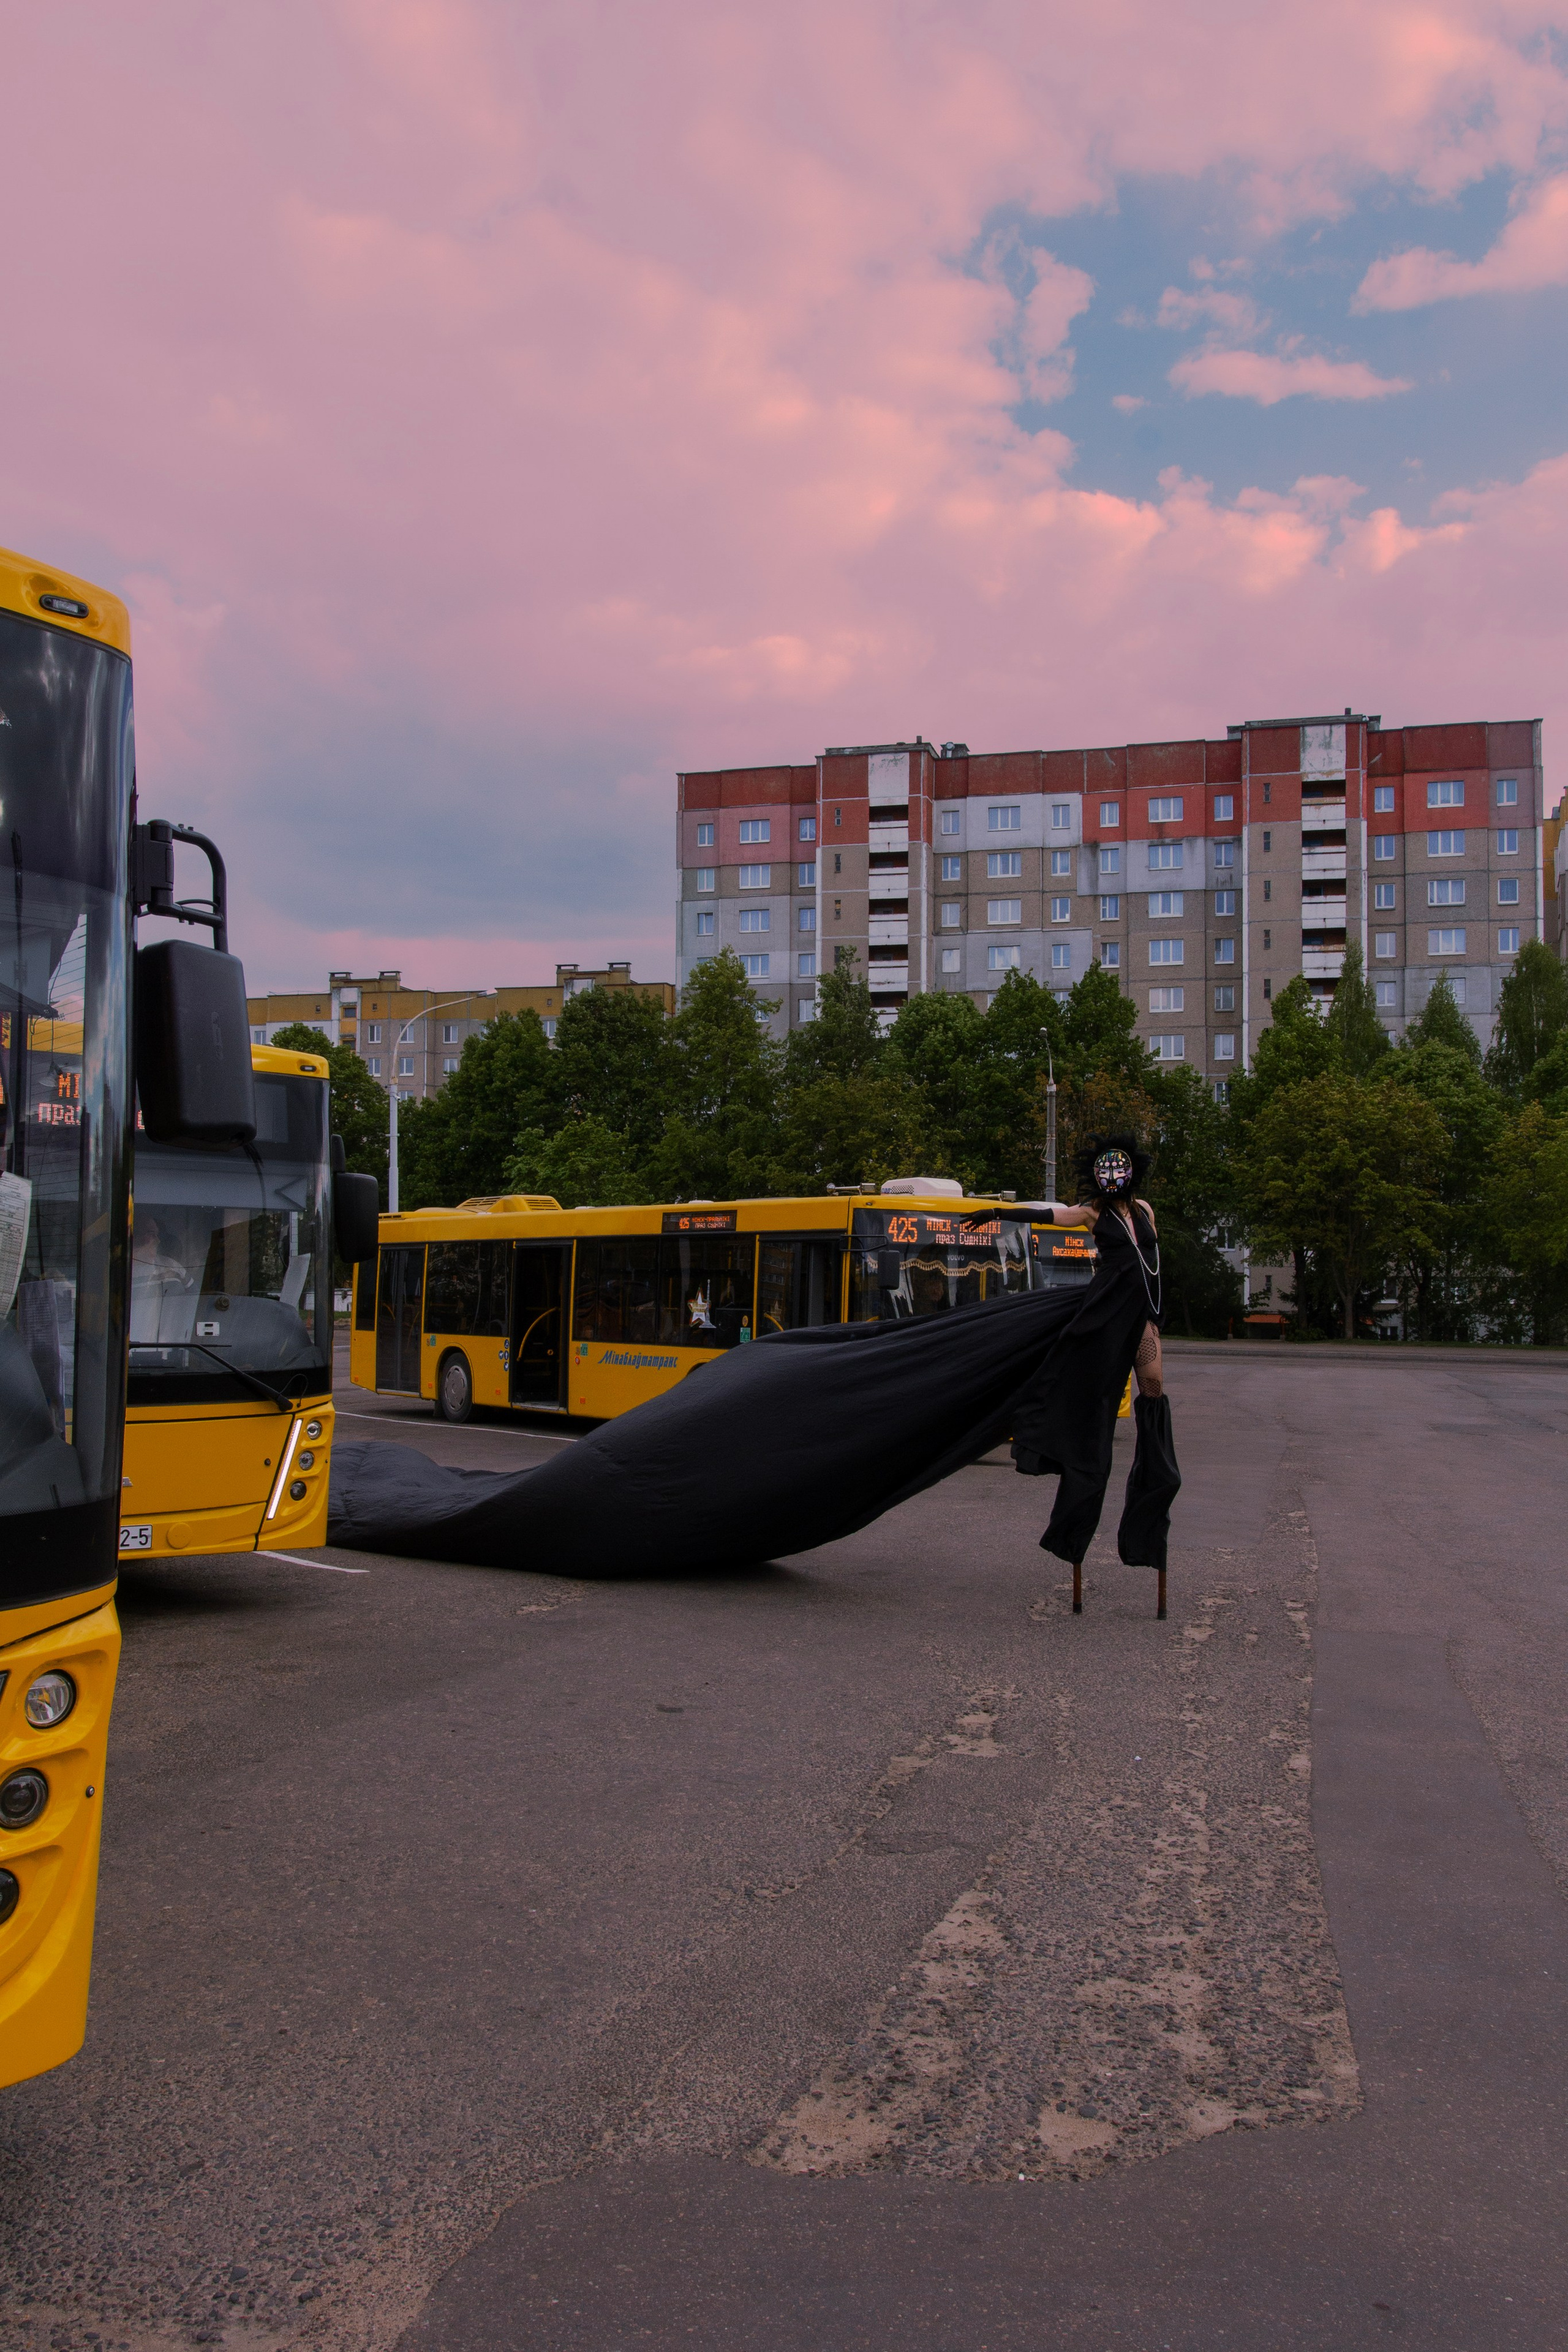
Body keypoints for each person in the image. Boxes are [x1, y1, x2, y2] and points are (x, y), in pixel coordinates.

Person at [1008, 1134, 1180, 1610]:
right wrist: (1000, 1214)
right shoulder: (1092, 1213)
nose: (1113, 1179)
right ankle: (1075, 1514)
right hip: (1104, 1321)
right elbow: (1047, 1216)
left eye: (1118, 1170)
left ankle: (1152, 1508)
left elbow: (1152, 1263)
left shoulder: (1145, 1210)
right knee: (1096, 1415)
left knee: (1154, 1391)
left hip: (1143, 1319)